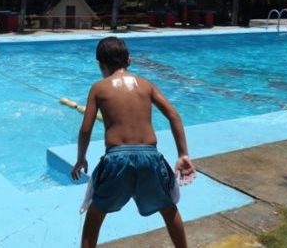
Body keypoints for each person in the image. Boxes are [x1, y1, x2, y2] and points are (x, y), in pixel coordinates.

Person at [71, 36, 196, 248]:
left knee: (95, 214)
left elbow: (85, 130)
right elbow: (174, 116)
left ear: (101, 64)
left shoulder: (99, 88)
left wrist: (80, 158)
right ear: (128, 60)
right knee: (168, 207)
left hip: (116, 160)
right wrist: (183, 154)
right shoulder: (145, 85)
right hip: (150, 156)